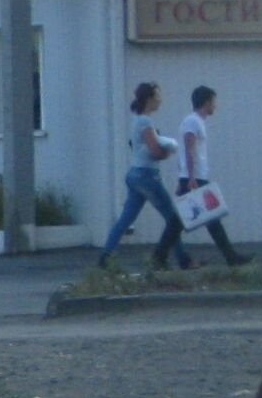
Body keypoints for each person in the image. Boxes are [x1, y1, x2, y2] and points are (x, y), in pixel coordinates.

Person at [97, 82, 187, 272]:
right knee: (173, 219)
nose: (160, 100)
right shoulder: (146, 122)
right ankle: (178, 259)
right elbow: (155, 150)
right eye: (158, 96)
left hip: (134, 174)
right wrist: (169, 151)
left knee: (126, 219)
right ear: (149, 99)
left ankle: (106, 257)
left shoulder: (137, 120)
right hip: (147, 174)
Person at [177, 86, 252, 267]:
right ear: (206, 102)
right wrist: (191, 177)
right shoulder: (192, 122)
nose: (215, 106)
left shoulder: (196, 122)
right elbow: (189, 149)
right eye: (213, 102)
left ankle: (159, 256)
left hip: (192, 177)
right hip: (195, 179)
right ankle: (232, 258)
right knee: (209, 219)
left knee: (179, 221)